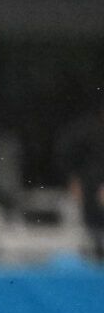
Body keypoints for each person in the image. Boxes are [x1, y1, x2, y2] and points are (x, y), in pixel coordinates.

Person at [55, 97, 104, 259]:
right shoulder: (86, 131)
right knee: (90, 224)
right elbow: (65, 155)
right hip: (89, 185)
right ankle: (94, 253)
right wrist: (73, 180)